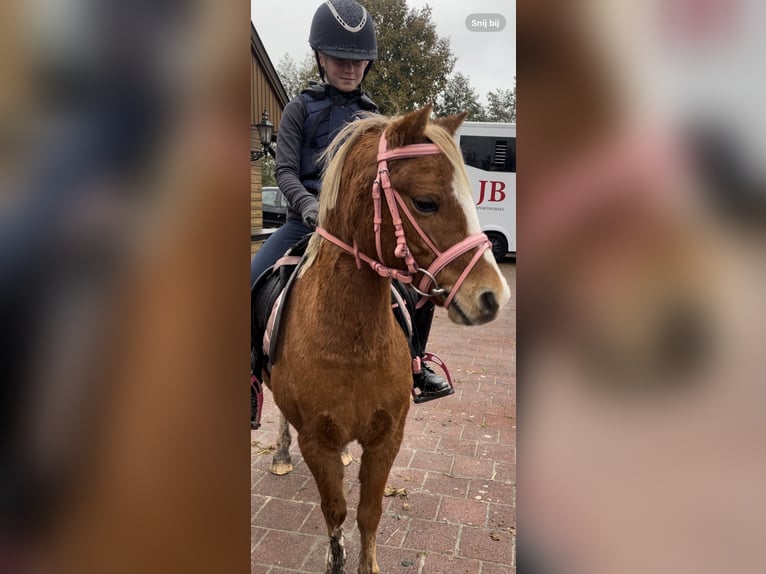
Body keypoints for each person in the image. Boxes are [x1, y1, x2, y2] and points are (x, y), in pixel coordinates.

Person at [250, 0, 453, 404]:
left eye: (359, 61)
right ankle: (251, 373)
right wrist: (309, 207)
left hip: (360, 230)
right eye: (339, 58)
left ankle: (415, 364)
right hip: (302, 223)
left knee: (421, 284)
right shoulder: (298, 109)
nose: (349, 68)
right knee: (247, 281)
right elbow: (286, 170)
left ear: (369, 64)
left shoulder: (372, 118)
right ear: (320, 58)